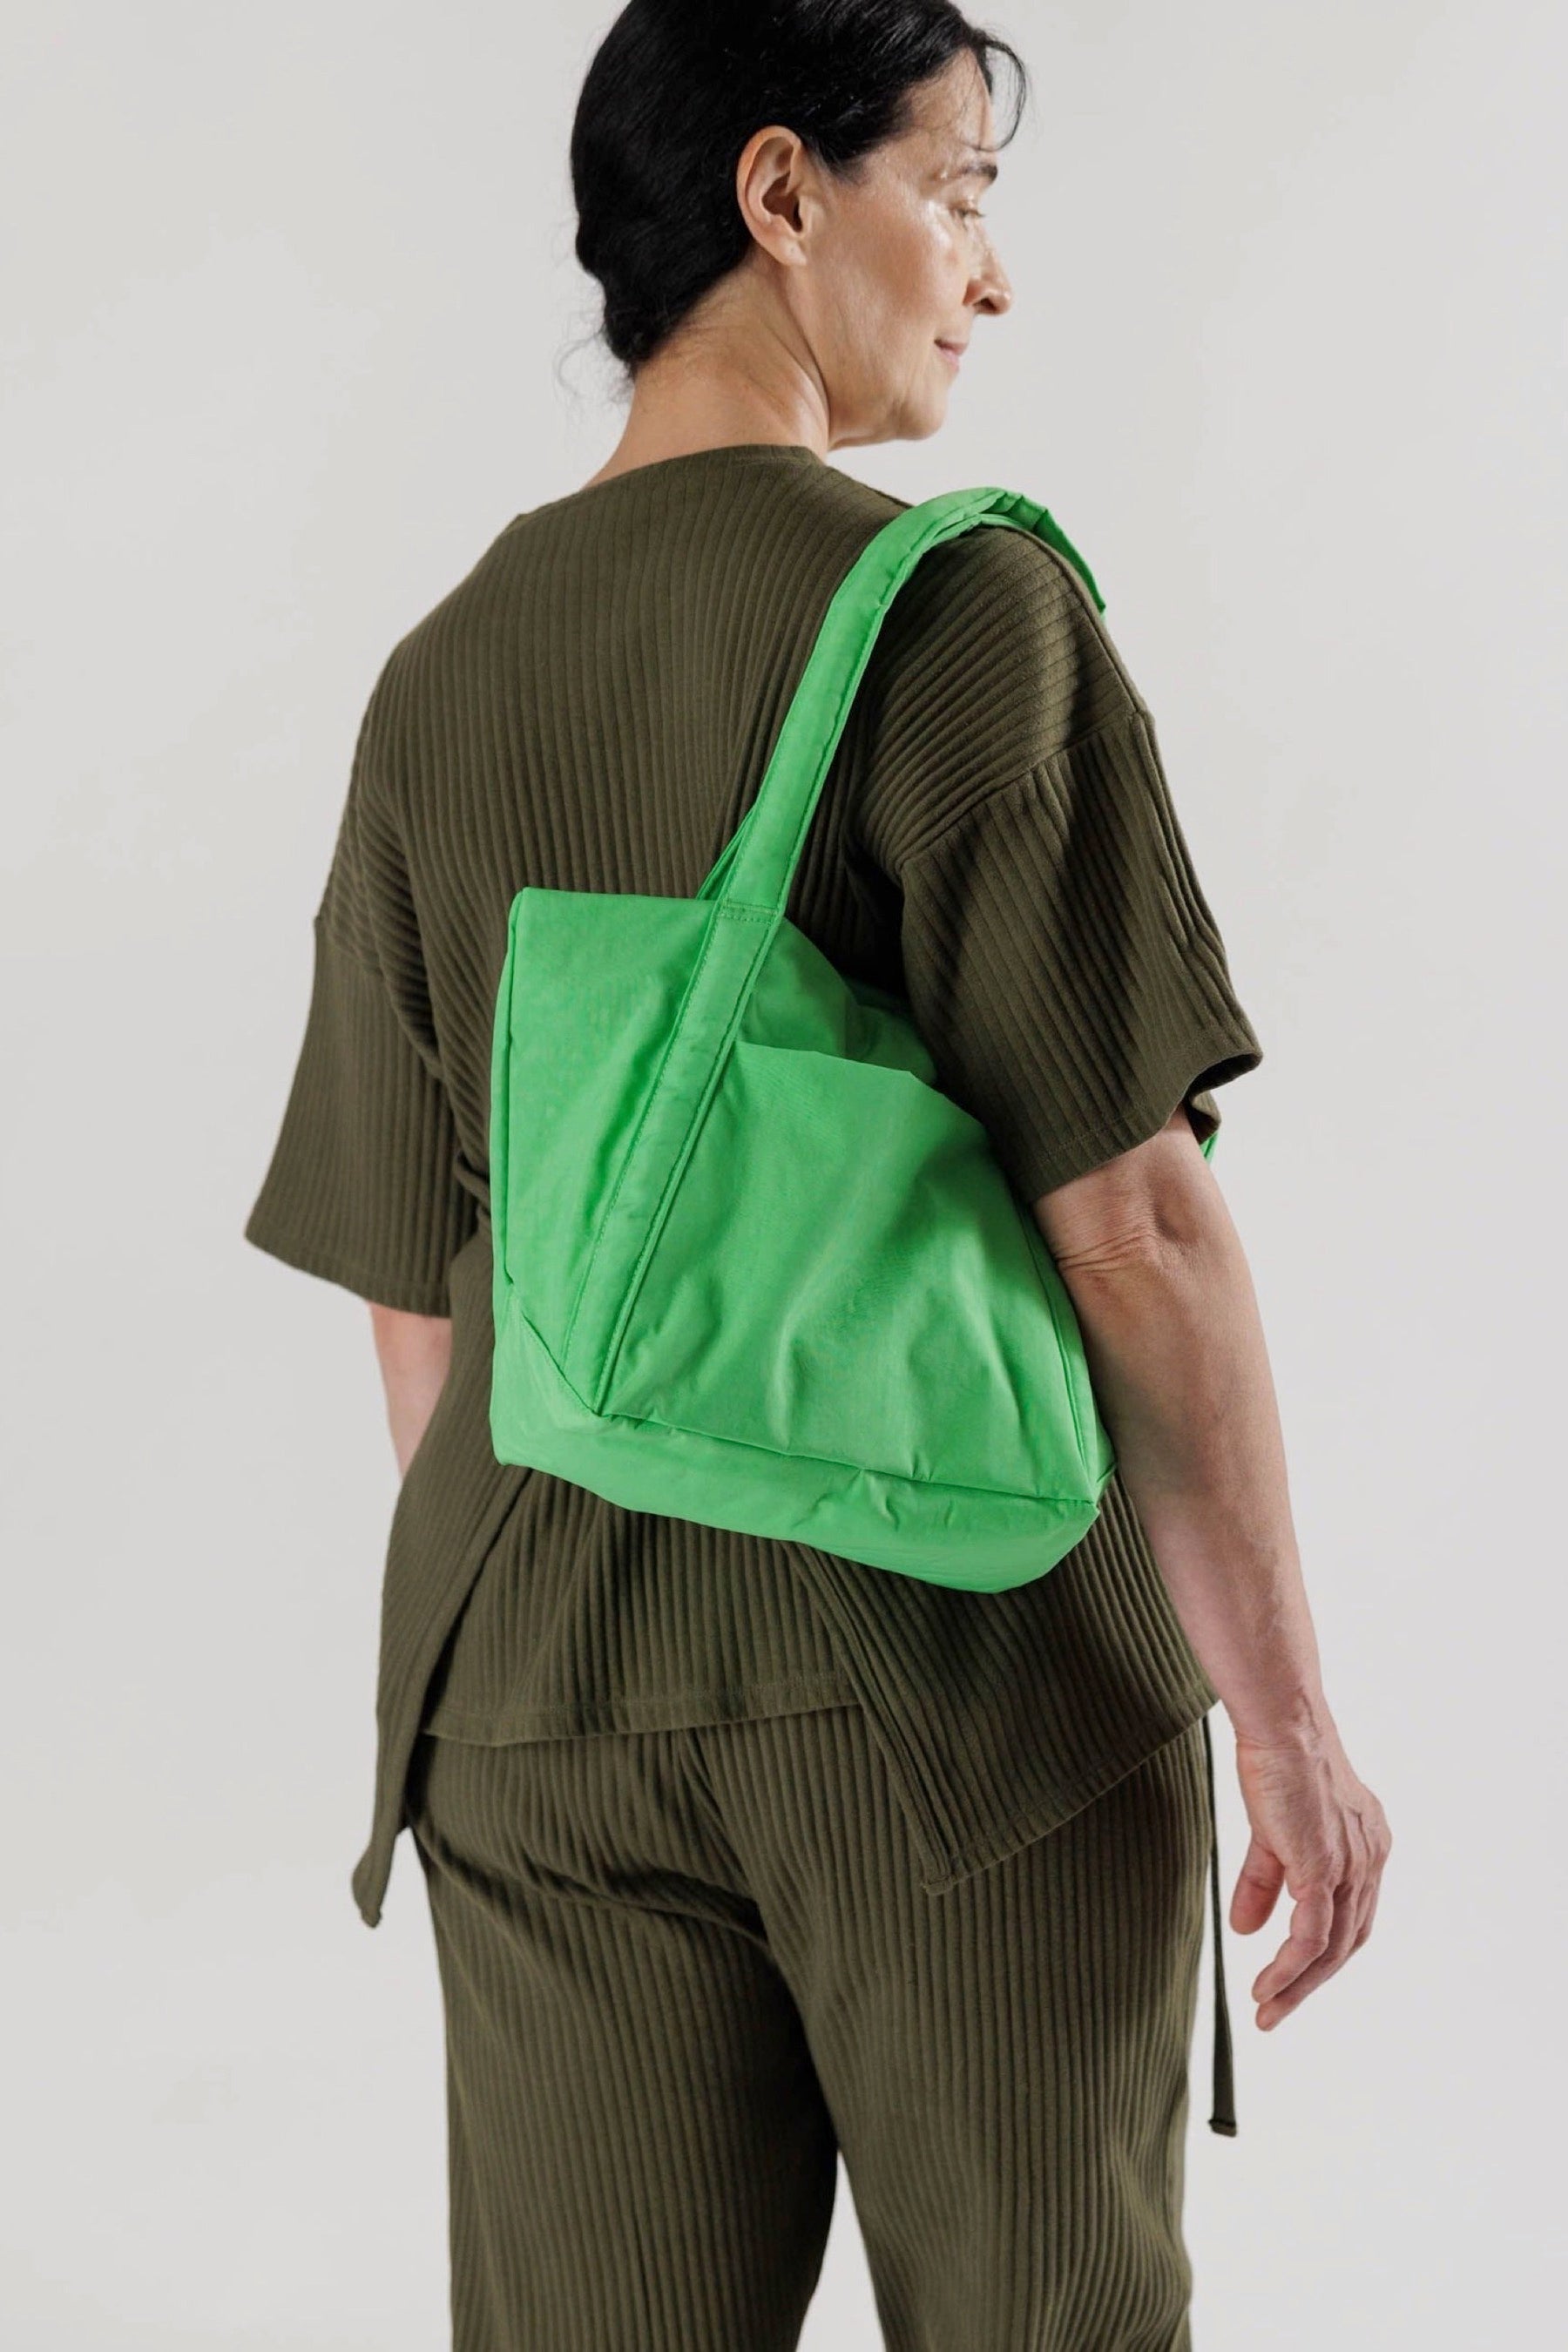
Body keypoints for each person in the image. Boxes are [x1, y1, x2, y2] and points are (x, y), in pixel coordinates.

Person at [243, 4, 1391, 2346]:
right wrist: (1288, 1722)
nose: (990, 273)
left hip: (533, 1700)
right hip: (960, 1692)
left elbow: (421, 1304)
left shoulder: (438, 679)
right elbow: (1135, 1222)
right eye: (956, 193)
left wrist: (600, 1595)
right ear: (783, 195)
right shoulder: (962, 611)